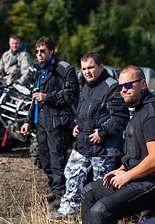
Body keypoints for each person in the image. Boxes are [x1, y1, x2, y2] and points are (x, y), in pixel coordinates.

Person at [81, 65, 155, 224]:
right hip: (138, 175)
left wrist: (128, 176)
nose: (123, 90)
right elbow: (139, 152)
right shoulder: (139, 109)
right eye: (120, 87)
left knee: (102, 211)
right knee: (88, 193)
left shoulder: (153, 113)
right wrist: (122, 169)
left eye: (128, 85)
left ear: (143, 85)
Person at [47, 52, 130, 221]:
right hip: (83, 142)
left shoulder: (112, 86)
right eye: (84, 68)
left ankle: (98, 216)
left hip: (103, 147)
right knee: (72, 175)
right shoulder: (86, 84)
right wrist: (78, 125)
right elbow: (85, 110)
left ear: (101, 67)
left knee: (101, 185)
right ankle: (67, 212)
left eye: (91, 67)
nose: (87, 72)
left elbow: (121, 116)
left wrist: (103, 132)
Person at [21, 37, 79, 207]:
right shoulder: (38, 70)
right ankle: (55, 189)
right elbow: (35, 99)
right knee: (44, 159)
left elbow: (72, 95)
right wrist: (28, 121)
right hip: (41, 122)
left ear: (51, 51)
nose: (39, 54)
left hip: (57, 121)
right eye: (37, 51)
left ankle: (62, 194)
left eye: (42, 51)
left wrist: (49, 97)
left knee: (57, 158)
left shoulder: (64, 69)